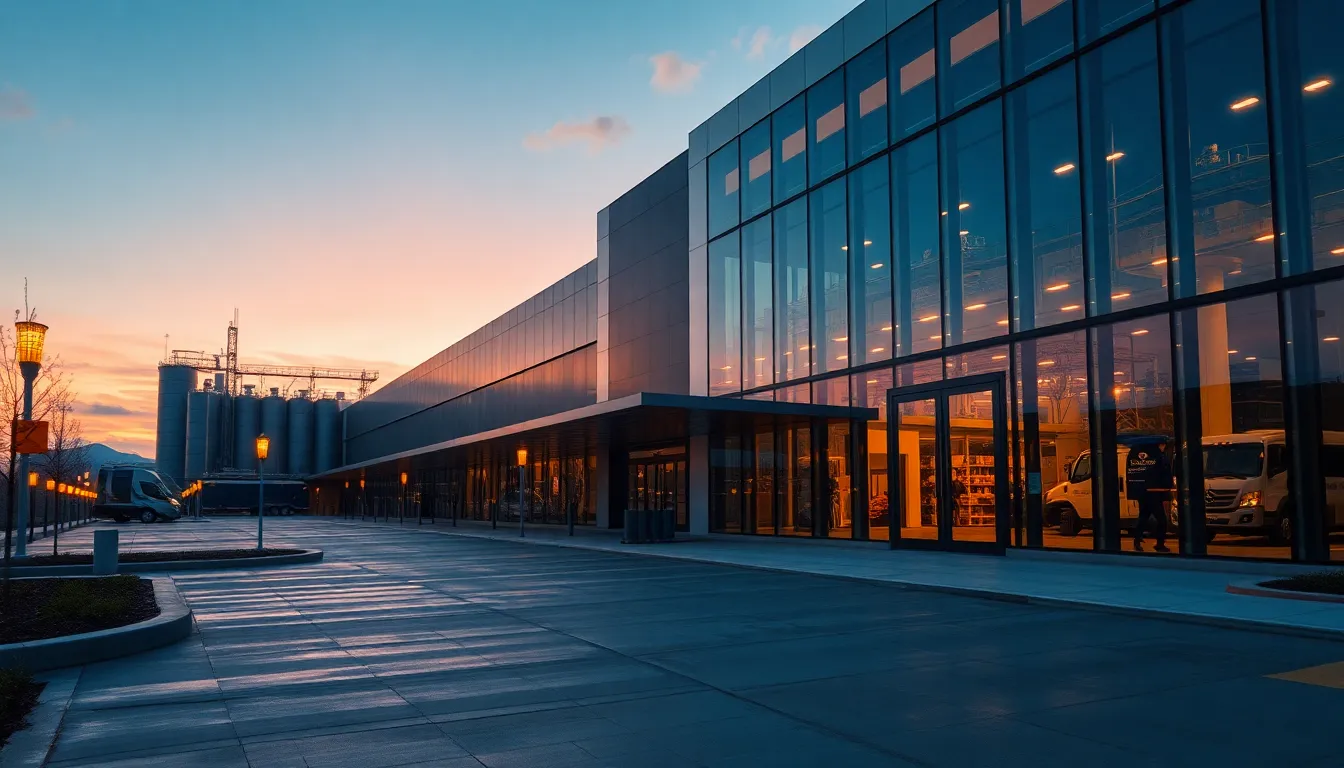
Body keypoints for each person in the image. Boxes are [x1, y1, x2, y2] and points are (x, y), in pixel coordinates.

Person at [1128, 438, 1173, 552]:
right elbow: (1162, 473)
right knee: (1162, 520)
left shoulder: (1146, 455)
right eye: (1163, 444)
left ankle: (1137, 540)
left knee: (1143, 517)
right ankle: (1159, 544)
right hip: (1153, 492)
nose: (1164, 446)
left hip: (1144, 492)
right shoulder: (1157, 456)